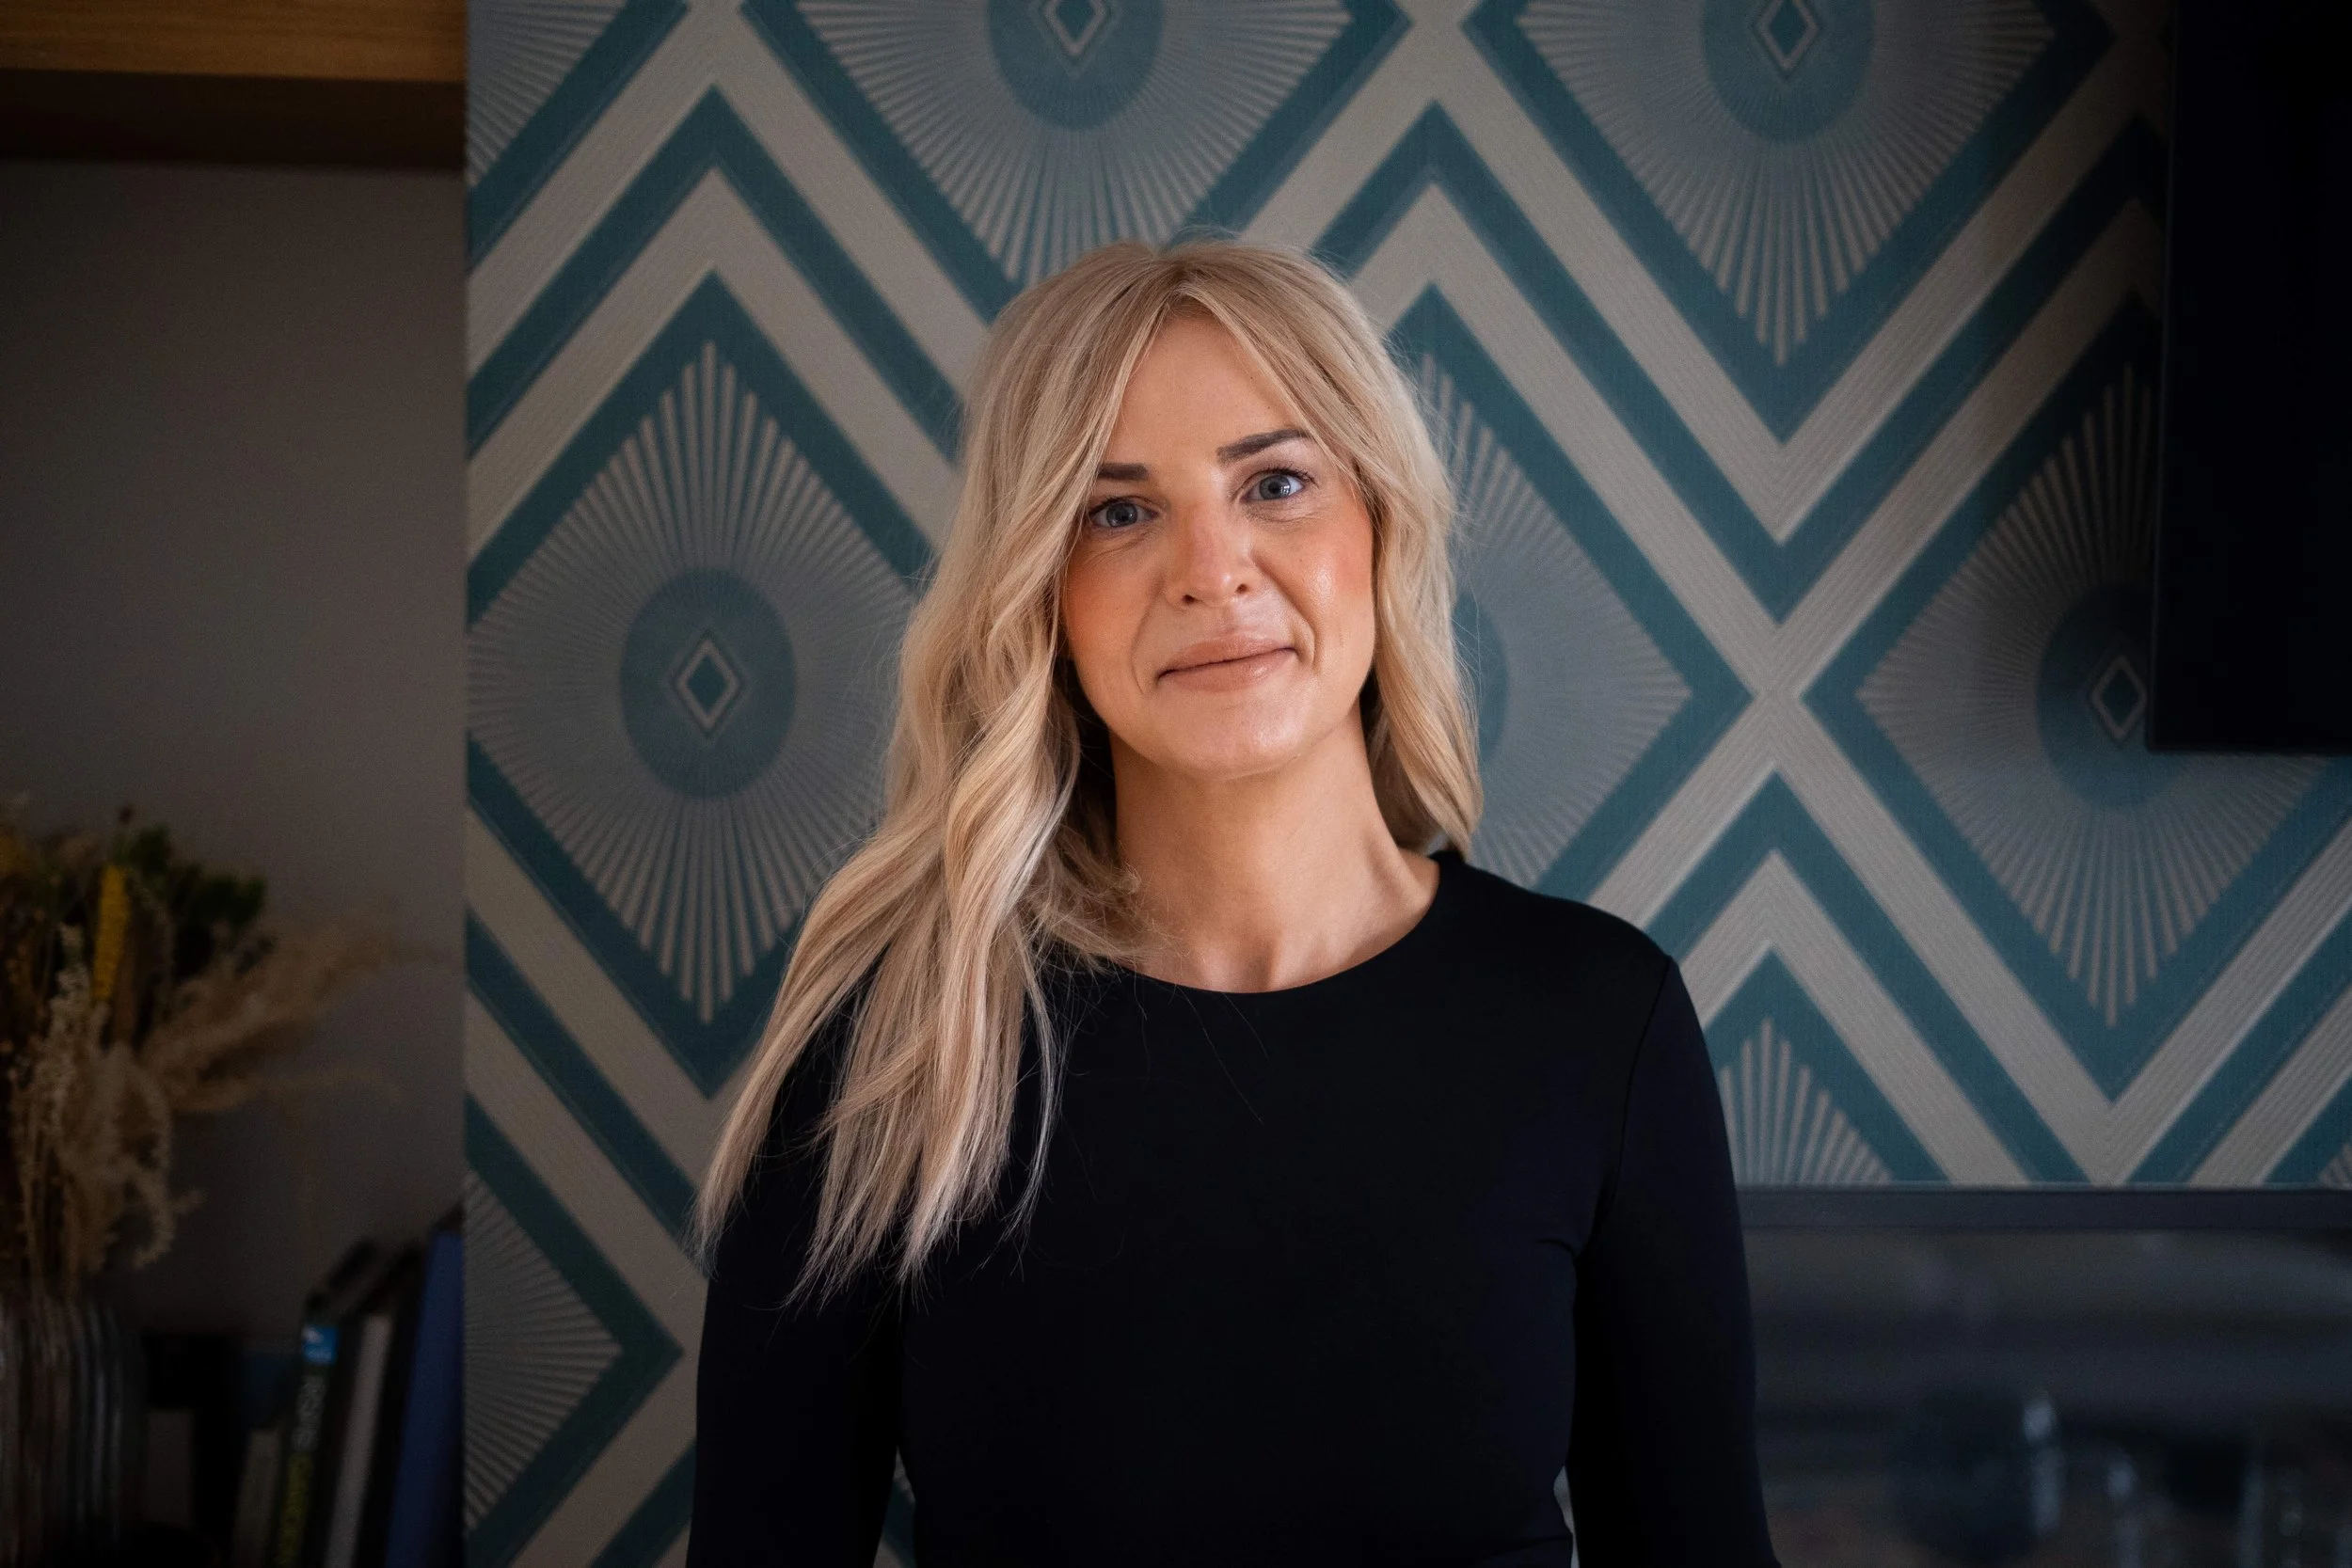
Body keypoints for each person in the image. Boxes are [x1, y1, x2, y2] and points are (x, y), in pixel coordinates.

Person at [688, 239, 1779, 1567]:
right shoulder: (894, 1045)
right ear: (1040, 591)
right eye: (1117, 509)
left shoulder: (1601, 1023)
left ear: (1379, 524)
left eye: (1275, 482)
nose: (1213, 568)